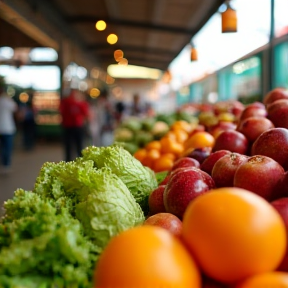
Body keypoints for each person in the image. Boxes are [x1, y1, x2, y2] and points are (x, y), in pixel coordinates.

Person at [59, 89, 89, 161]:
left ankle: (69, 161)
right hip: (75, 127)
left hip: (70, 127)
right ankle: (80, 161)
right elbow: (86, 115)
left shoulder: (65, 102)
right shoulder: (80, 103)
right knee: (79, 146)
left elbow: (61, 112)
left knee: (69, 147)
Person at [0, 86, 18, 174]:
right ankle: (6, 165)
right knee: (7, 148)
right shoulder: (7, 101)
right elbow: (15, 108)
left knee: (2, 148)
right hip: (8, 128)